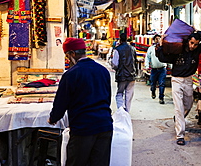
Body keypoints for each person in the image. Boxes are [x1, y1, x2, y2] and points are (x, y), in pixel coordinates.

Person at [48, 38, 113, 166]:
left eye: (67, 55)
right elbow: (107, 98)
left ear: (72, 54)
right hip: (104, 125)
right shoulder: (103, 70)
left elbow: (61, 101)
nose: (67, 59)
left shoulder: (71, 74)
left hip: (83, 128)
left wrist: (53, 118)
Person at [156, 31, 201, 145]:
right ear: (187, 41)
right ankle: (180, 135)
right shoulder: (178, 49)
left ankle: (178, 118)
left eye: (195, 44)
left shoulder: (196, 51)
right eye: (191, 43)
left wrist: (195, 32)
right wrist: (161, 45)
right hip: (176, 80)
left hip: (188, 80)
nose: (192, 46)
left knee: (189, 104)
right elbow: (163, 58)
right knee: (179, 107)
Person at [111, 32, 137, 112]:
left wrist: (114, 67)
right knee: (129, 95)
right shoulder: (133, 49)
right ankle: (127, 112)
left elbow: (115, 64)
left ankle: (121, 111)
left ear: (120, 39)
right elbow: (135, 62)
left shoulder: (117, 50)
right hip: (132, 75)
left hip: (122, 75)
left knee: (119, 93)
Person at [144, 34, 167, 104]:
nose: (157, 40)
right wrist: (147, 66)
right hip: (154, 70)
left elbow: (168, 57)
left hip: (162, 69)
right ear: (154, 40)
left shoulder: (164, 48)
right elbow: (147, 58)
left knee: (162, 84)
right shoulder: (151, 48)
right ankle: (153, 91)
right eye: (156, 39)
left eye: (159, 39)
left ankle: (161, 98)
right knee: (153, 83)